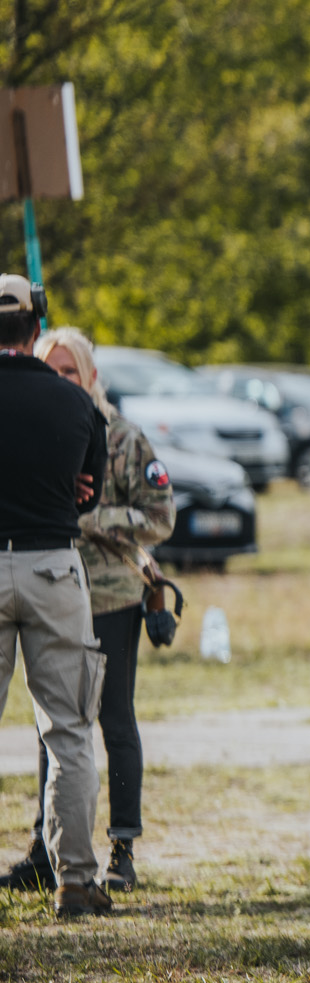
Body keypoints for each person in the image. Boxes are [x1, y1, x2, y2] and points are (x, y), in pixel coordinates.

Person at [2, 328, 173, 894]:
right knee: (49, 727)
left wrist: (93, 519)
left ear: (89, 375)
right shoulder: (42, 420)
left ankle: (122, 847)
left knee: (111, 721)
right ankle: (46, 849)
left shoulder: (118, 435)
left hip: (109, 596)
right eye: (51, 368)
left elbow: (158, 515)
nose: (60, 379)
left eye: (70, 370)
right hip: (55, 591)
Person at [0, 275, 114, 918]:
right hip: (52, 567)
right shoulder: (76, 406)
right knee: (68, 729)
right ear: (35, 330)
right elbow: (89, 496)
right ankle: (75, 879)